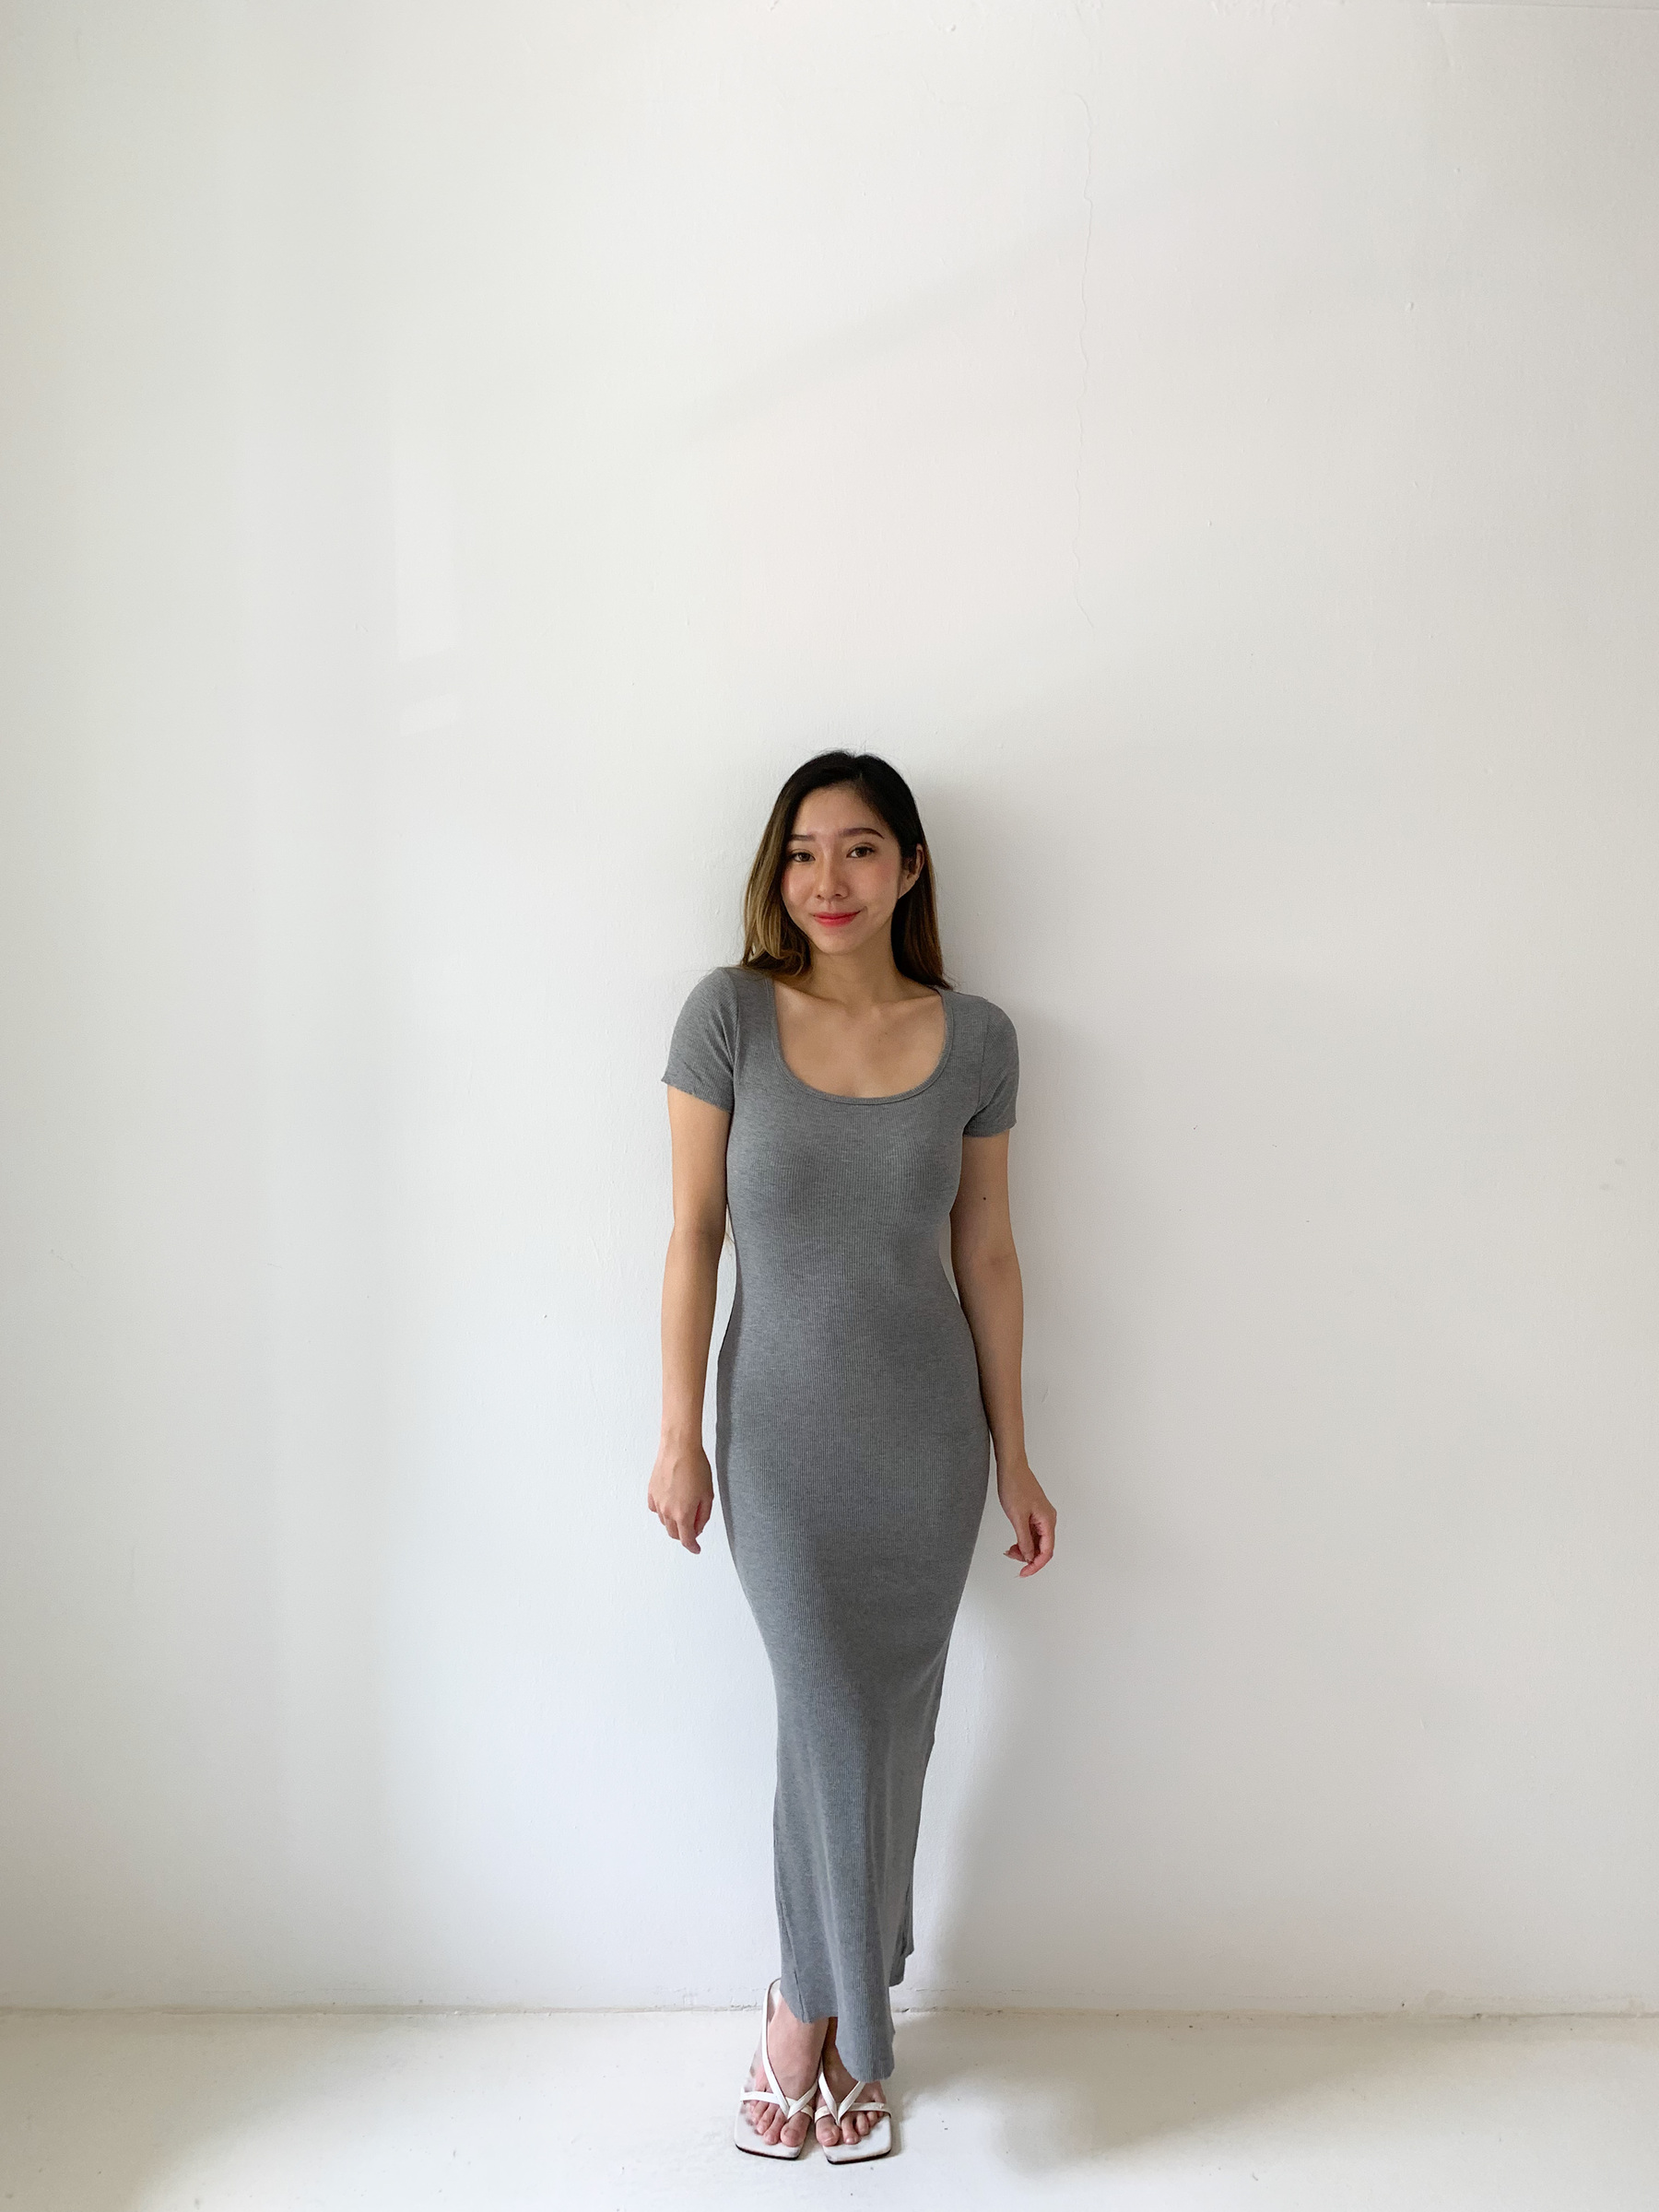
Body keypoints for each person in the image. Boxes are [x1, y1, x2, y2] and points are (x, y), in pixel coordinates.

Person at [649, 749, 1056, 2162]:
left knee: (889, 1735)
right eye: (804, 851)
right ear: (778, 871)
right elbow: (694, 1234)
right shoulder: (729, 1017)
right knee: (828, 1718)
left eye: (862, 848)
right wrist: (678, 1438)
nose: (829, 880)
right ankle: (826, 2021)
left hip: (925, 1443)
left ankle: (816, 2005)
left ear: (909, 868)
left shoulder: (981, 1039)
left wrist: (1016, 1456)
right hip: (777, 1441)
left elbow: (988, 1254)